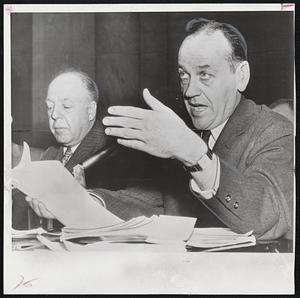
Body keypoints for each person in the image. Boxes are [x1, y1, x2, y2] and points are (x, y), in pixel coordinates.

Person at [100, 18, 293, 240]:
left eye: (205, 75)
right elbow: (153, 202)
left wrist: (194, 154)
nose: (190, 90)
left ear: (241, 76)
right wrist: (80, 199)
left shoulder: (275, 131)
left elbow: (266, 216)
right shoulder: (185, 134)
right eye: (184, 75)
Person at [12, 69, 111, 229]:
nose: (54, 115)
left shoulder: (114, 154)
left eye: (66, 106)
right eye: (49, 107)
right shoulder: (50, 155)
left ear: (90, 111)